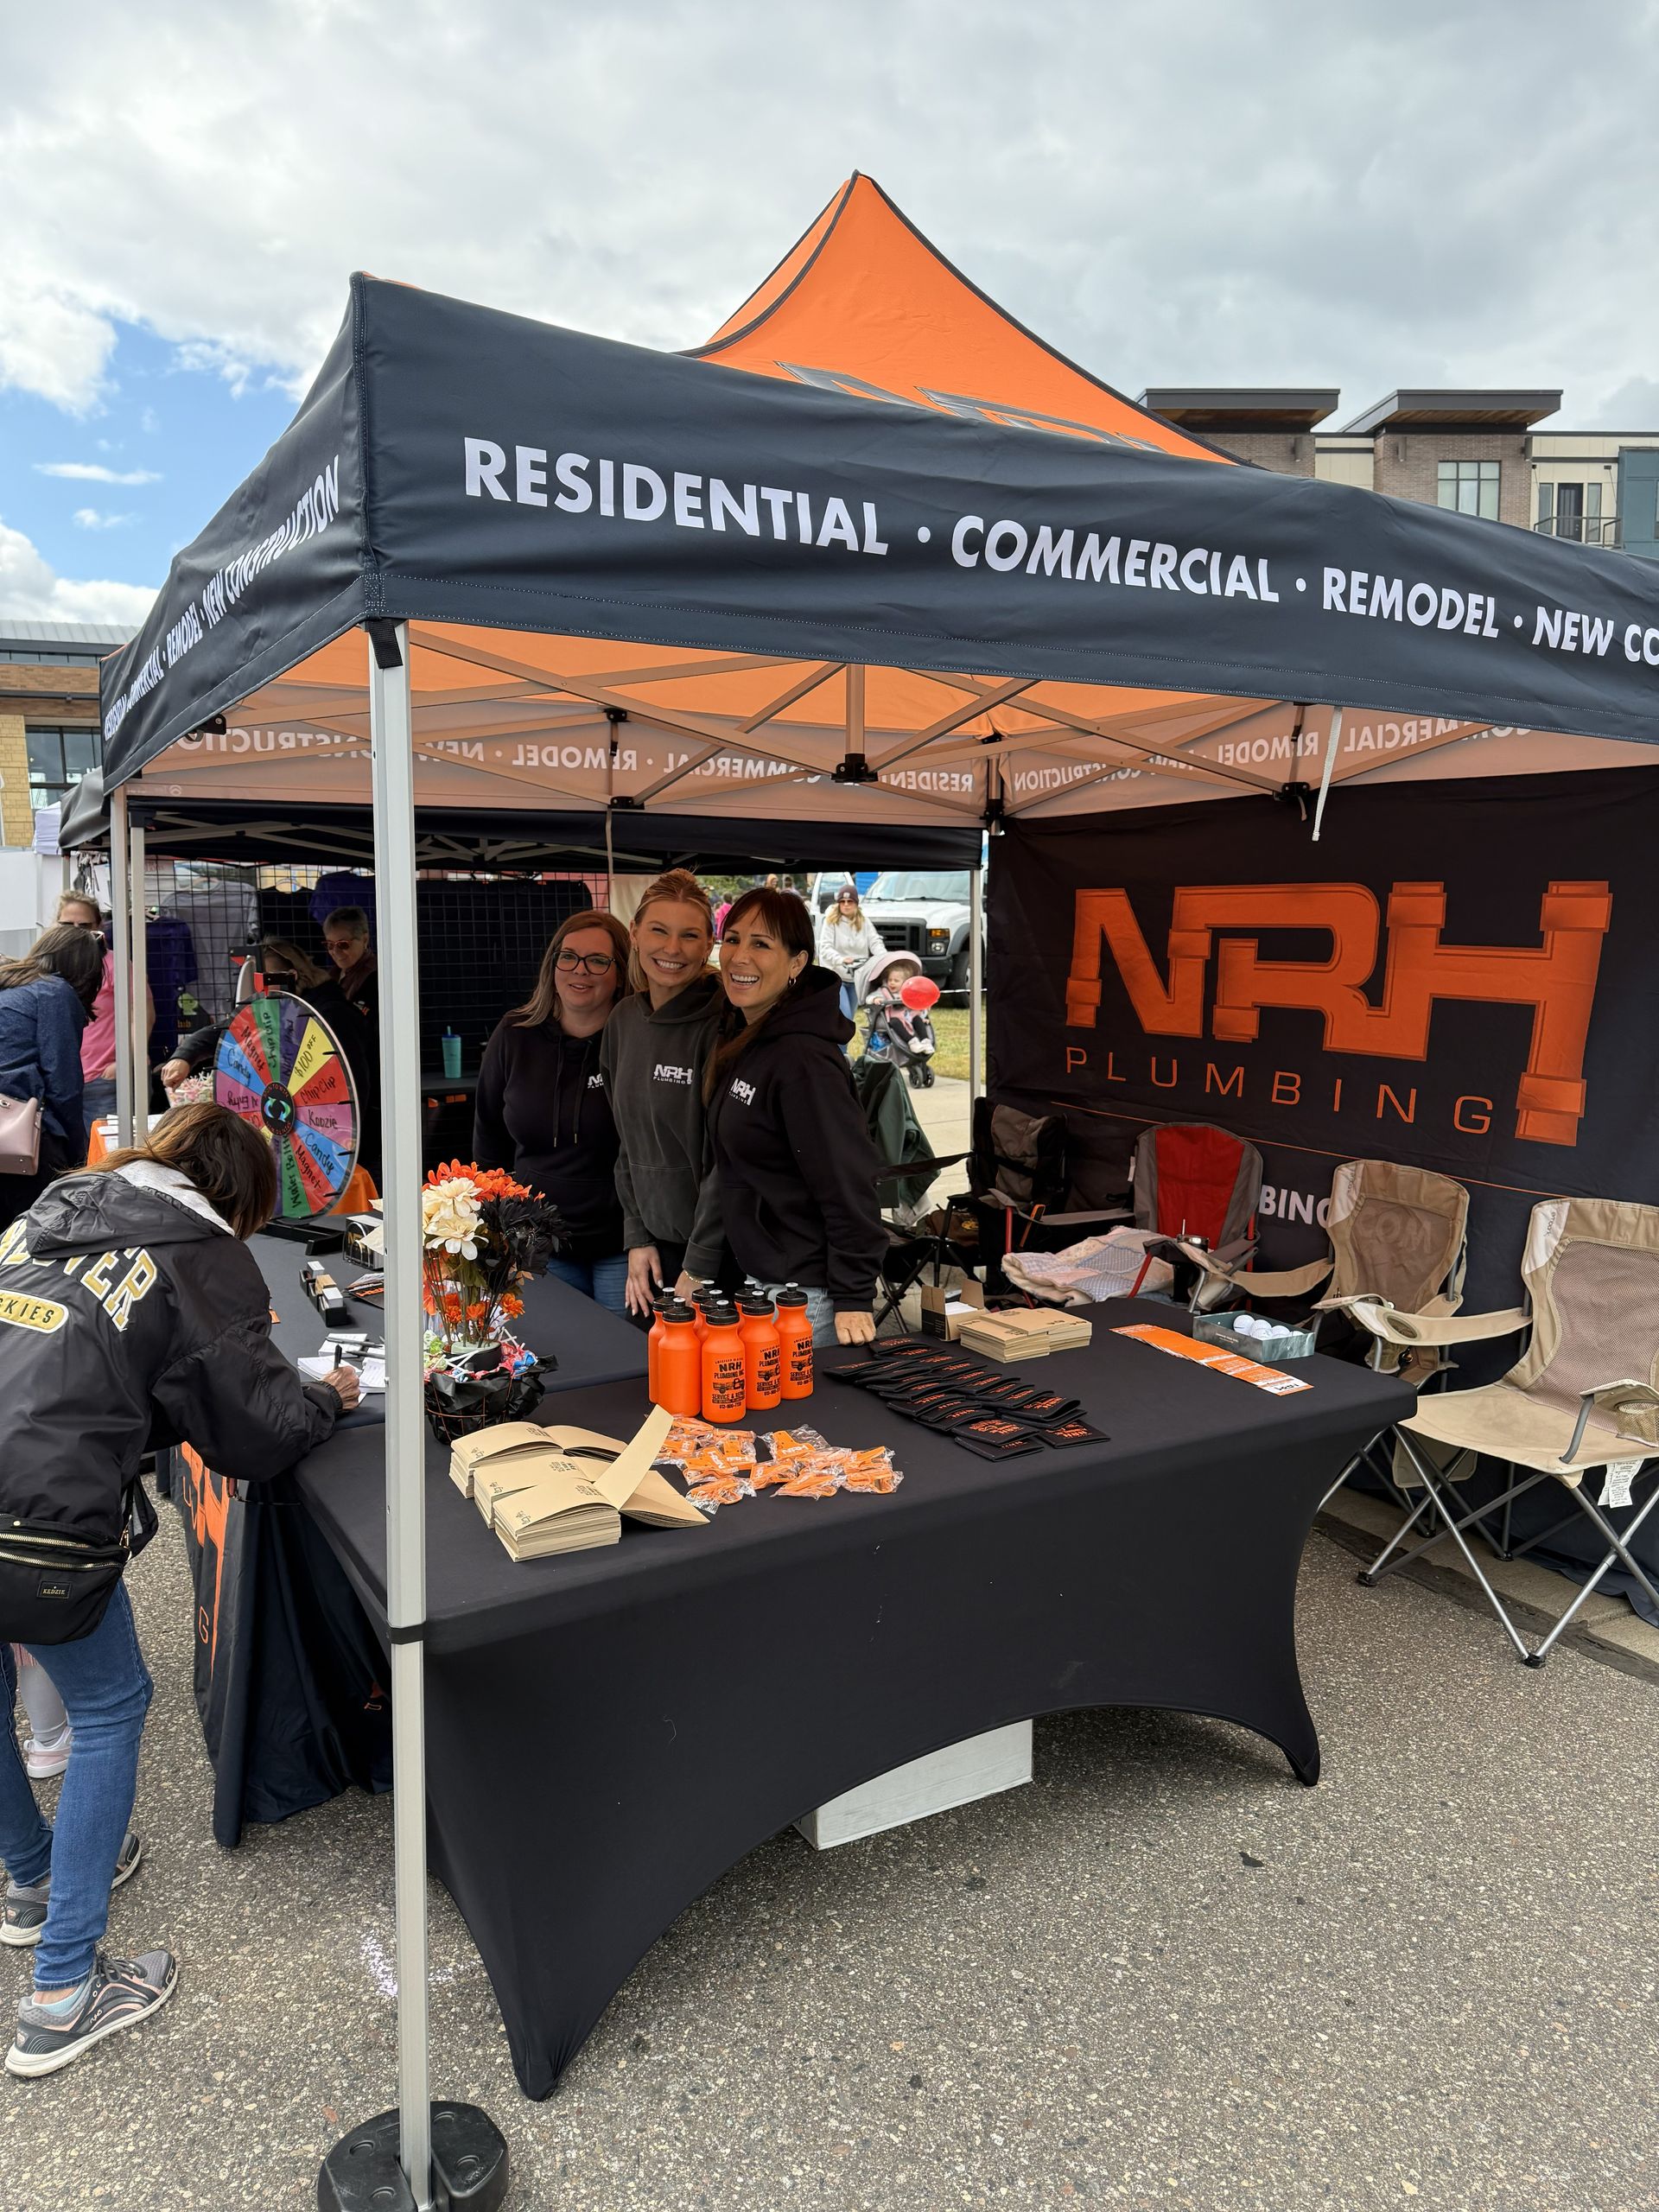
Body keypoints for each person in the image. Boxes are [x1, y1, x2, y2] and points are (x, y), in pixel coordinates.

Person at [0, 1103, 359, 2077]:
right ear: (238, 1196)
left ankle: (31, 1882)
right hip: (43, 1511)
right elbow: (256, 1434)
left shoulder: (62, 1201)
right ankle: (62, 1994)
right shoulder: (201, 1253)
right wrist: (328, 1393)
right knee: (113, 1706)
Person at [707, 887, 886, 1345]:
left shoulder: (803, 1058)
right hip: (767, 1284)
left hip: (809, 1299)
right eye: (732, 939)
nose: (739, 956)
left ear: (797, 963)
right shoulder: (749, 1035)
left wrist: (853, 1296)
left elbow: (847, 1180)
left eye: (761, 944)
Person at [474, 910, 632, 1314]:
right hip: (539, 1248)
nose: (581, 971)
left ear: (620, 972)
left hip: (624, 1247)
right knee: (563, 1364)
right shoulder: (515, 1034)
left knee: (624, 1366)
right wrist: (495, 1229)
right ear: (552, 964)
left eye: (598, 960)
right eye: (569, 956)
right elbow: (489, 1136)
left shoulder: (637, 1040)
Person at [599, 870, 728, 1323]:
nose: (672, 949)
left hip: (720, 1259)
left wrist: (700, 1263)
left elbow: (727, 1163)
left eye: (689, 935)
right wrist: (636, 1235)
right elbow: (626, 1144)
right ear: (634, 933)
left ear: (709, 943)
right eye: (659, 930)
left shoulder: (723, 1025)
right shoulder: (623, 1021)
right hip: (655, 1254)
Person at [0, 924, 104, 1231]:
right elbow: (64, 1086)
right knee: (29, 1237)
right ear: (84, 971)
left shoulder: (10, 985)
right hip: (20, 1141)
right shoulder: (55, 992)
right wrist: (79, 1159)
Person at [60, 897, 156, 1143]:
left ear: (99, 925)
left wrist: (123, 1064)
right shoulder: (57, 964)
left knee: (113, 1158)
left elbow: (142, 1014)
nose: (76, 932)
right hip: (71, 1080)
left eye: (84, 925)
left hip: (108, 1079)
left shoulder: (115, 964)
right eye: (67, 925)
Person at [817, 883, 885, 1027]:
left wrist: (883, 958)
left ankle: (841, 1049)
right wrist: (841, 959)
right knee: (845, 1015)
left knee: (849, 1019)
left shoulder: (864, 922)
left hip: (857, 976)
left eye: (850, 901)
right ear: (838, 904)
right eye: (842, 902)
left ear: (856, 903)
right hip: (836, 977)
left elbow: (875, 942)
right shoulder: (831, 922)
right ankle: (840, 1050)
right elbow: (825, 948)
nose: (846, 905)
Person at [321, 906, 378, 1020]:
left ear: (364, 940)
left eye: (343, 944)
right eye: (330, 945)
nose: (335, 952)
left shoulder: (375, 978)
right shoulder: (331, 976)